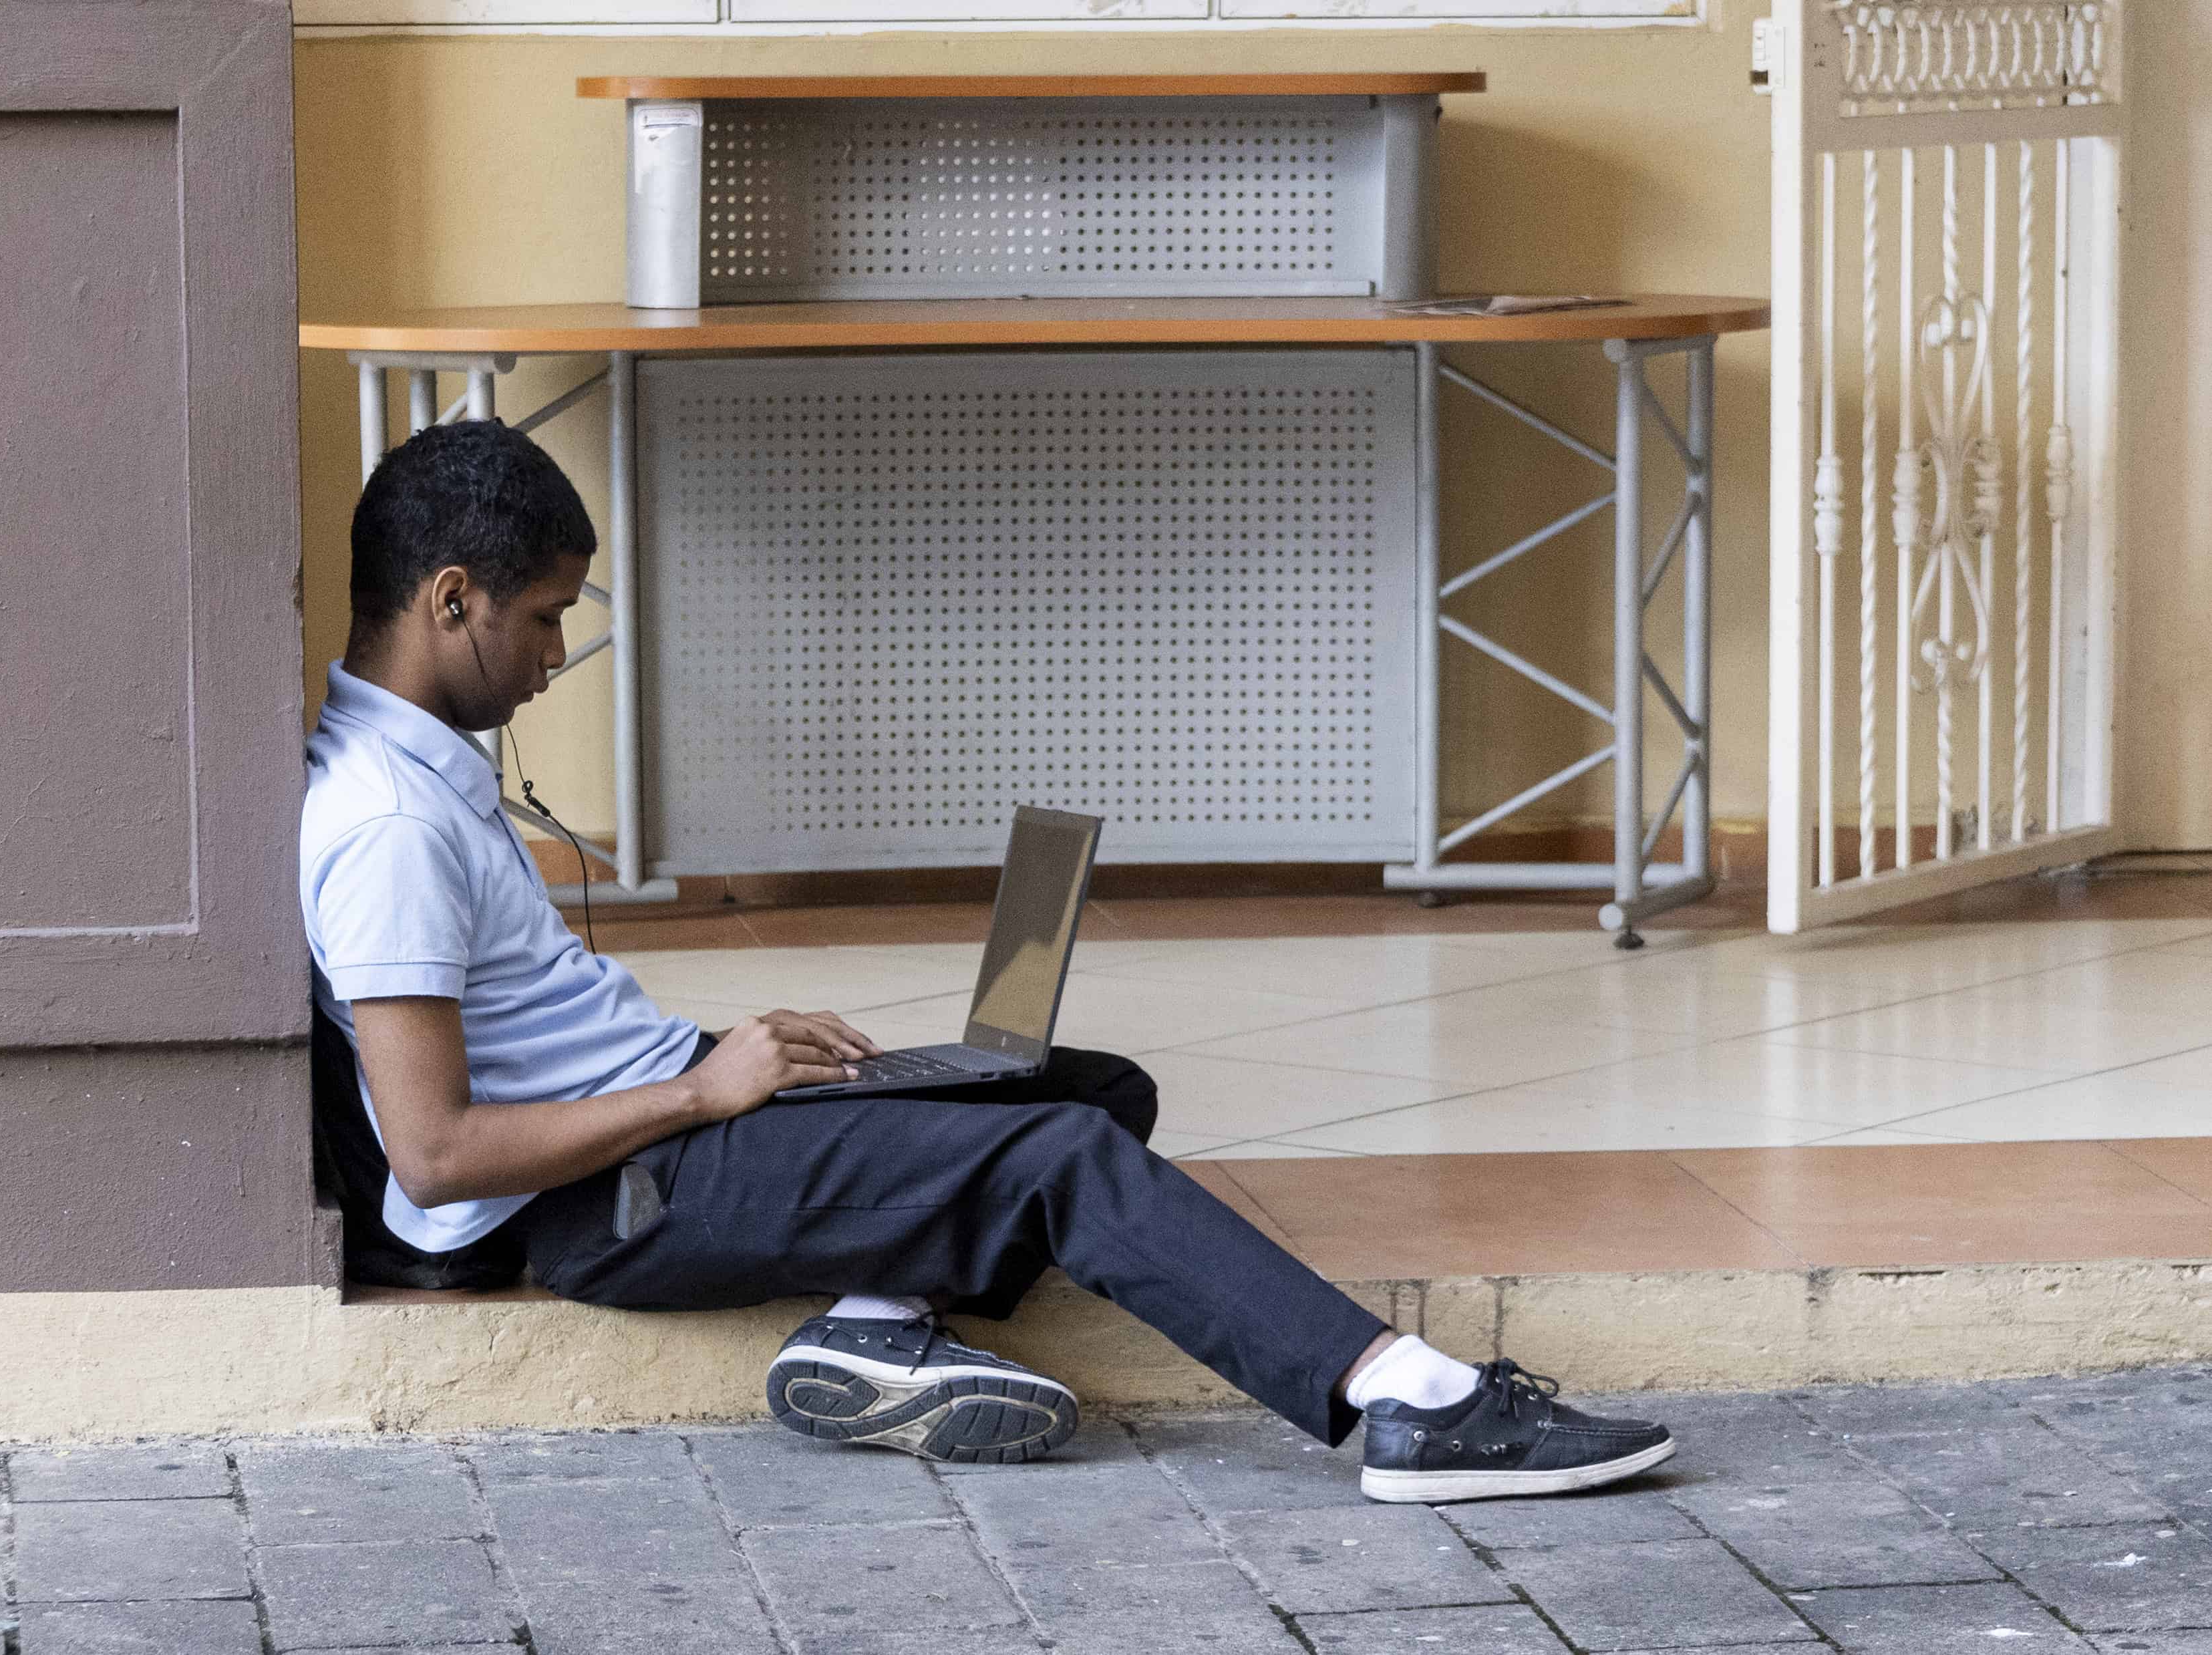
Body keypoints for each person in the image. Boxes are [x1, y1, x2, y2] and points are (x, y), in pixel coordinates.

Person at [301, 420, 1678, 1503]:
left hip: (665, 1120)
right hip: (616, 1199)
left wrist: (723, 1064)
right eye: (541, 618)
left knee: (1089, 1088)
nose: (553, 655)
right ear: (451, 596)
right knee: (1060, 1157)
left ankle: (869, 1319)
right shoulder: (386, 825)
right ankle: (1406, 1405)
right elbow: (436, 1158)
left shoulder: (414, 771)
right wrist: (703, 1095)